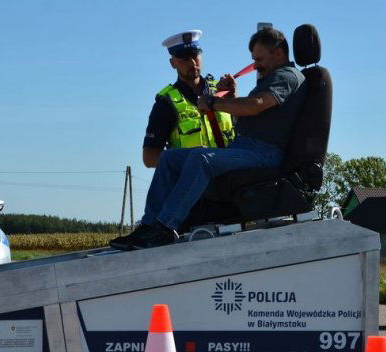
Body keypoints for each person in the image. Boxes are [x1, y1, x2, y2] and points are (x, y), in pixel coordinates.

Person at [112, 27, 306, 250]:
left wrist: (215, 102)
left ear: (279, 53)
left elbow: (256, 105)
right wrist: (232, 98)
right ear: (173, 63)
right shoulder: (168, 101)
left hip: (264, 152)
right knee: (170, 159)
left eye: (259, 59)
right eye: (254, 60)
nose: (256, 66)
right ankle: (148, 227)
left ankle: (165, 228)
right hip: (247, 148)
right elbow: (254, 116)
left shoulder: (286, 76)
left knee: (201, 158)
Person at [141, 30, 235, 169]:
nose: (192, 62)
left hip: (230, 177)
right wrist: (191, 158)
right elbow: (149, 158)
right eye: (184, 59)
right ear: (173, 63)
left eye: (195, 56)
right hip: (194, 182)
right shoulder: (166, 103)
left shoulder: (222, 90)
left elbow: (246, 133)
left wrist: (234, 98)